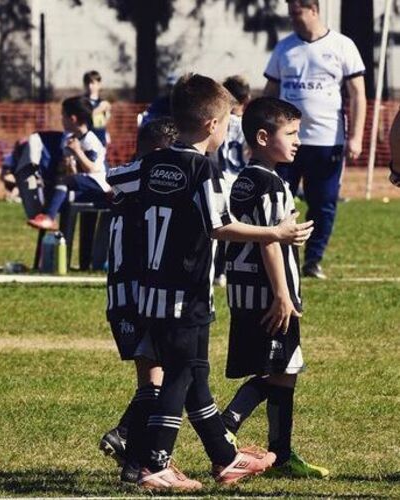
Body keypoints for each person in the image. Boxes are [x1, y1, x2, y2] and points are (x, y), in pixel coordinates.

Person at [126, 74, 313, 491]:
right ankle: (153, 461)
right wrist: (274, 234)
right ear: (212, 125)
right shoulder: (203, 167)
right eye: (228, 121)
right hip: (187, 294)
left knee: (195, 375)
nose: (229, 129)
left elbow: (117, 183)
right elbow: (220, 225)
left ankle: (224, 457)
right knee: (181, 376)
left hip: (151, 293)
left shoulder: (155, 160)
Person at [220, 97, 329, 479]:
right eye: (292, 133)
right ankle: (223, 432)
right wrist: (283, 295)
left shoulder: (247, 178)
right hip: (269, 295)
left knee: (285, 369)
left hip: (247, 292)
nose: (298, 140)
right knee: (275, 371)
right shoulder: (268, 184)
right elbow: (268, 241)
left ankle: (280, 455)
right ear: (263, 137)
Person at [263, 0, 366, 279]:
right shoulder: (284, 48)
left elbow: (357, 93)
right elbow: (270, 91)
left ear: (314, 10)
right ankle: (280, 253)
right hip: (285, 144)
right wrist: (261, 131)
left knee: (324, 203)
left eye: (297, 14)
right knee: (279, 201)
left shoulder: (342, 46)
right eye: (290, 14)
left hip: (327, 141)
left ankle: (313, 260)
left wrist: (355, 137)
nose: (293, 19)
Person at [99, 118, 177, 477]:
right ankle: (132, 445)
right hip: (137, 295)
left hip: (122, 295)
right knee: (160, 379)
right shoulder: (145, 175)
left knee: (154, 378)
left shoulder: (131, 182)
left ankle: (132, 453)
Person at [27, 96, 108, 230]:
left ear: (73, 119)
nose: (61, 120)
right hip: (84, 185)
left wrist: (78, 152)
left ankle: (49, 217)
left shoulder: (90, 140)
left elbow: (92, 170)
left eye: (63, 116)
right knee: (62, 183)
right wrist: (69, 165)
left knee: (64, 181)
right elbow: (76, 173)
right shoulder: (70, 140)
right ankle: (59, 231)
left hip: (100, 185)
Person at [214, 75, 251, 287]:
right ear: (245, 99)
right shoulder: (248, 124)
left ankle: (217, 270)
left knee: (216, 229)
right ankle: (226, 270)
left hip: (218, 180)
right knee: (235, 229)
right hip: (239, 181)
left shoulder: (217, 124)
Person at [83, 70, 111, 146]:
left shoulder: (103, 102)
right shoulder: (82, 101)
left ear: (99, 84)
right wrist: (99, 109)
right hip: (87, 140)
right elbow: (83, 117)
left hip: (101, 139)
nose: (90, 86)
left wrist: (107, 113)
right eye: (87, 83)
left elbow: (104, 121)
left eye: (92, 83)